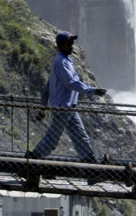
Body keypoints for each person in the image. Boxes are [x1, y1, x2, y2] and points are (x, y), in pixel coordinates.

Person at [27, 31, 106, 161]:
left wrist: (43, 107)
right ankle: (33, 159)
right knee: (53, 138)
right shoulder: (61, 62)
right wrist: (92, 91)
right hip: (62, 108)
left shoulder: (65, 61)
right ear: (60, 45)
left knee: (80, 136)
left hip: (69, 108)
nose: (72, 46)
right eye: (68, 44)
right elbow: (71, 82)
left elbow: (47, 87)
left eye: (72, 43)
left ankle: (90, 163)